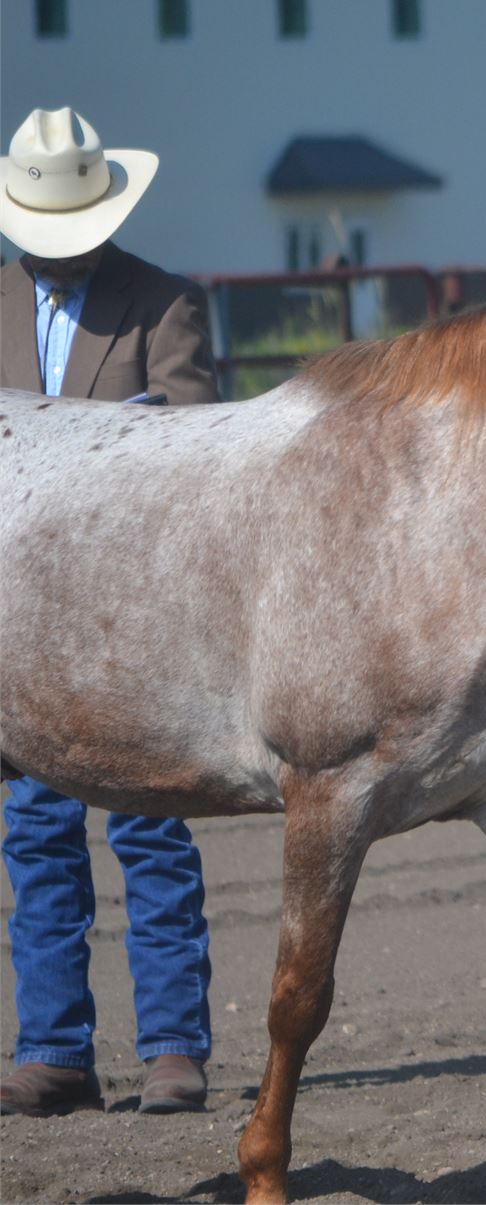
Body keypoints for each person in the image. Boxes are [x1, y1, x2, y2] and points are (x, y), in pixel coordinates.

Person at [0, 108, 217, 1116]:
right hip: (25, 627)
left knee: (151, 828)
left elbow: (193, 445)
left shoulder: (163, 304)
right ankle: (54, 1049)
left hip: (135, 622)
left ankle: (171, 1046)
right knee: (36, 834)